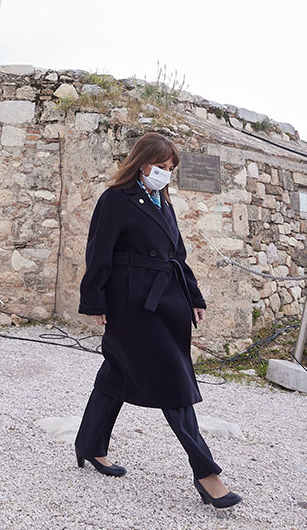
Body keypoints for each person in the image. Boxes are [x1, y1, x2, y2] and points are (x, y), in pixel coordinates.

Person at [75, 132, 242, 510]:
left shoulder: (163, 202)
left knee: (117, 373)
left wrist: (194, 297)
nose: (166, 173)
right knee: (174, 381)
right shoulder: (115, 199)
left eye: (170, 168)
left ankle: (89, 444)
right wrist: (94, 299)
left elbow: (177, 256)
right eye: (161, 166)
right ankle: (207, 474)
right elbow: (98, 252)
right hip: (131, 304)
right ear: (142, 163)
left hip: (166, 301)